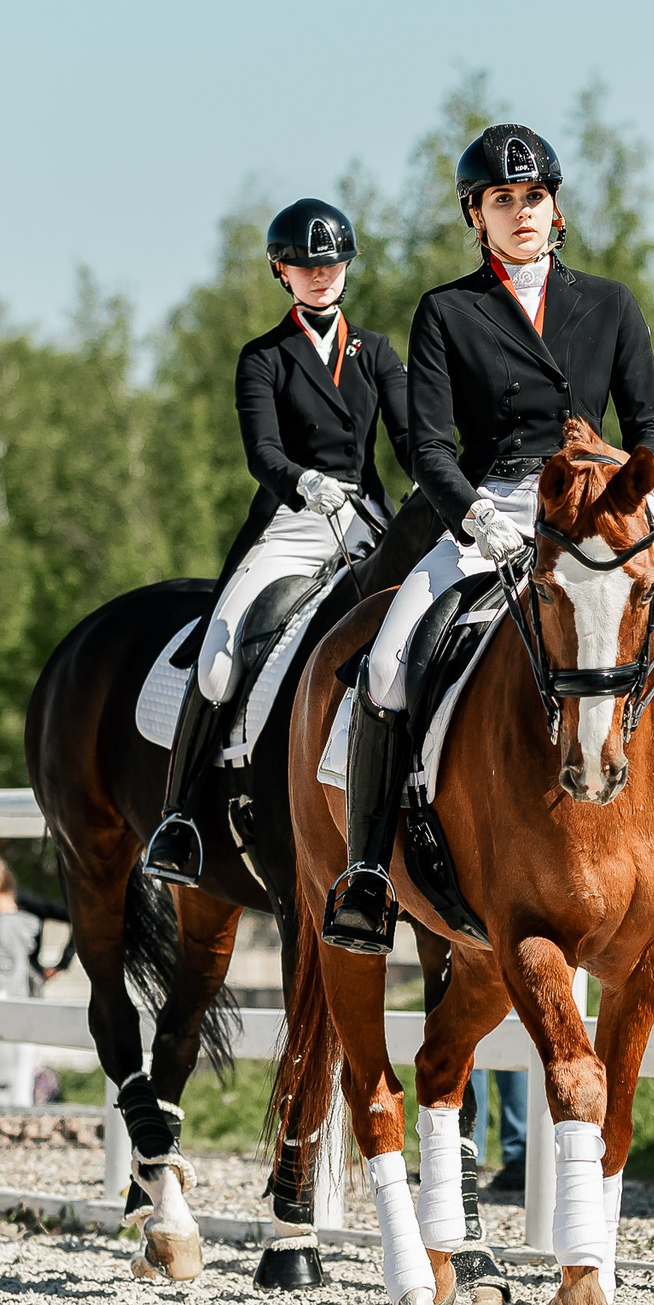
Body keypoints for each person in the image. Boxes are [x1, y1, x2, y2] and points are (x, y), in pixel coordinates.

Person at [318, 123, 654, 985]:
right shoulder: (448, 311)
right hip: (492, 510)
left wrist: (644, 490)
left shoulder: (612, 304)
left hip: (599, 518)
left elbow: (650, 421)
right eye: (502, 200)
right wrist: (474, 517)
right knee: (389, 668)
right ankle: (369, 873)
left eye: (535, 197)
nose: (522, 213)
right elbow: (430, 447)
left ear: (557, 209)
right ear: (476, 217)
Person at [142, 198, 412, 885]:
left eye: (332, 263)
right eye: (306, 265)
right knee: (216, 661)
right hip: (292, 522)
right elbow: (261, 452)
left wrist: (432, 484)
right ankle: (178, 817)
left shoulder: (377, 352)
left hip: (365, 519)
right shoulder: (264, 356)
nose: (322, 275)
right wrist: (303, 481)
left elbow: (411, 441)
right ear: (282, 271)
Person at [0, 857, 49, 1107]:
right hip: (23, 1023)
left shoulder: (4, 925)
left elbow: (3, 982)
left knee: (9, 1103)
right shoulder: (20, 923)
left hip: (7, 1028)